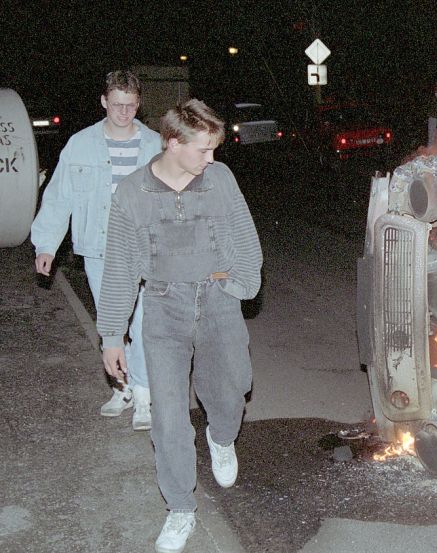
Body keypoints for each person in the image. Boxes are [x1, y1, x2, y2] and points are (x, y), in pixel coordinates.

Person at [96, 98, 262, 553]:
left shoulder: (220, 179)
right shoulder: (132, 193)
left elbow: (245, 235)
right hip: (164, 308)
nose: (212, 159)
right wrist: (113, 335)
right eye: (203, 150)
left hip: (218, 300)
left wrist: (241, 286)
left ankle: (221, 436)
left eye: (214, 149)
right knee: (168, 417)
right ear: (172, 143)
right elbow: (120, 268)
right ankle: (180, 507)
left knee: (233, 389)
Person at [31, 70, 161, 430]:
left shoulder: (154, 145)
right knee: (112, 326)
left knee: (145, 322)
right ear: (104, 101)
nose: (124, 113)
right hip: (100, 249)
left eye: (131, 106)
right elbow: (60, 197)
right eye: (117, 105)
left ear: (139, 104)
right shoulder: (80, 145)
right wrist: (46, 244)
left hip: (143, 249)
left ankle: (144, 394)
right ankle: (123, 388)